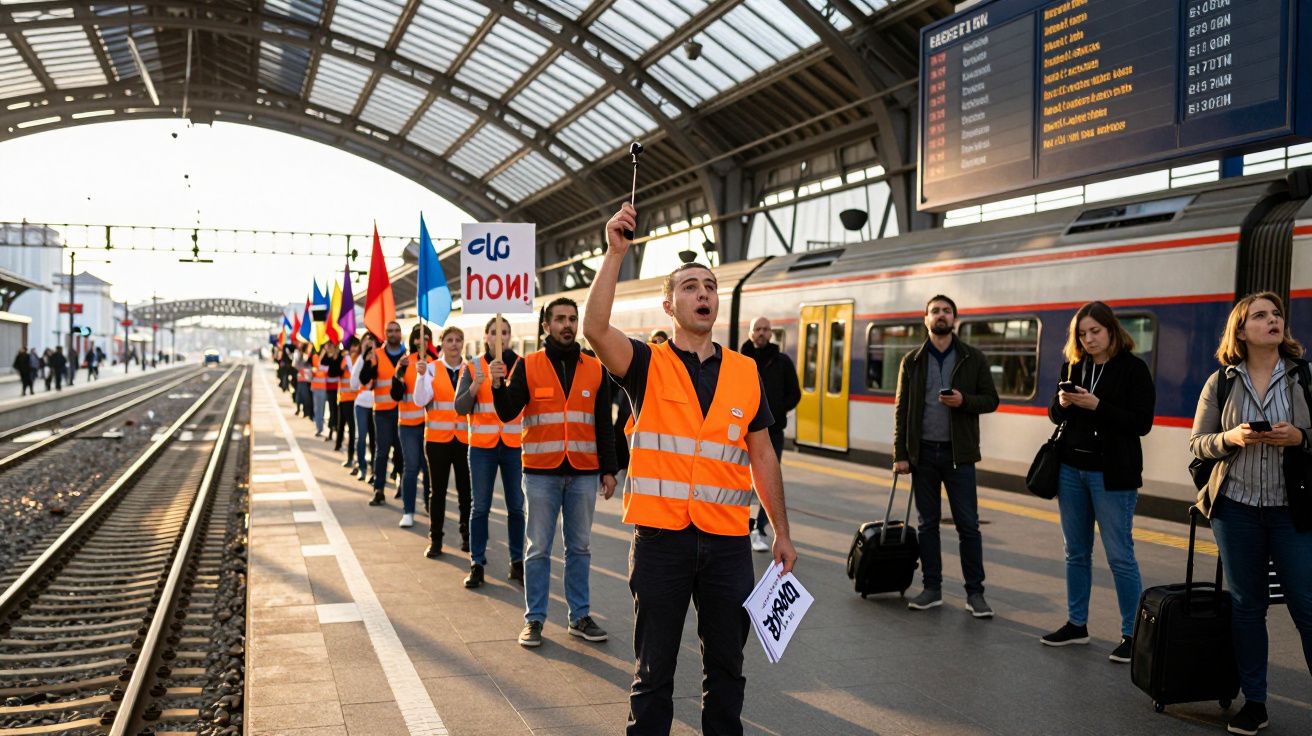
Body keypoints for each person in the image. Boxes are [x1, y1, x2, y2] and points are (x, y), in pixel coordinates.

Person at [584, 203, 797, 735]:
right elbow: (594, 327)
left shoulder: (747, 372)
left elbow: (763, 454)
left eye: (709, 286)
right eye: (689, 287)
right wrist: (614, 253)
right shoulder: (644, 364)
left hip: (727, 542)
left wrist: (782, 534)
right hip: (661, 541)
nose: (703, 293)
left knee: (727, 668)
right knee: (653, 670)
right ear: (668, 305)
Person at [1189, 291, 1312, 736]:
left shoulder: (1304, 377)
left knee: (1307, 605)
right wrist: (1232, 438)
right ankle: (1255, 703)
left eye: (1276, 314)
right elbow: (1198, 443)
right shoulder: (1220, 382)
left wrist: (1299, 437)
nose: (1272, 320)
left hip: (1291, 509)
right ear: (1240, 331)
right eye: (1260, 315)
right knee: (1247, 607)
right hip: (1236, 509)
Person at [493, 297, 618, 648]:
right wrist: (497, 384)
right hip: (540, 473)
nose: (567, 325)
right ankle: (534, 620)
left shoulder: (594, 368)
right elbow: (507, 413)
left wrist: (609, 469)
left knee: (579, 548)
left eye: (572, 319)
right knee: (538, 550)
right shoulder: (529, 365)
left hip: (583, 472)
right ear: (547, 326)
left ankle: (579, 616)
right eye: (560, 319)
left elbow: (602, 425)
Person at [1042, 302, 1154, 663]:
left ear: (1111, 331)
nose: (1088, 339)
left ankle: (1132, 634)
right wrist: (1061, 403)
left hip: (1112, 475)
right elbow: (1055, 415)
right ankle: (1077, 624)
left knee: (1120, 556)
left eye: (1095, 331)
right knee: (1075, 551)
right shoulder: (1074, 366)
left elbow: (1141, 423)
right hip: (1070, 471)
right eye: (1082, 333)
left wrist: (1096, 405)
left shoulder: (1133, 370)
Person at [892, 294, 999, 617]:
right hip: (923, 454)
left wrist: (964, 401)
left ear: (955, 319)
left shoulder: (973, 358)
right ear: (925, 319)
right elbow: (902, 410)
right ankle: (932, 588)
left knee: (968, 526)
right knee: (928, 525)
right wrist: (901, 454)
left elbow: (991, 400)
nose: (940, 315)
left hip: (959, 455)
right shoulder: (911, 361)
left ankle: (975, 593)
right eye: (935, 311)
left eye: (946, 311)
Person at [455, 316, 525, 589]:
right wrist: (475, 384)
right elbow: (460, 407)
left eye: (505, 333)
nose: (500, 337)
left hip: (513, 448)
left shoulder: (520, 365)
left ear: (510, 337)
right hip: (482, 448)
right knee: (480, 507)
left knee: (516, 508)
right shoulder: (472, 367)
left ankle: (517, 562)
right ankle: (477, 563)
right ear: (486, 336)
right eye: (495, 332)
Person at [740, 316, 801, 553]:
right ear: (750, 332)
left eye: (766, 329)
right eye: (758, 329)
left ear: (771, 333)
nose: (762, 333)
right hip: (739, 432)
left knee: (767, 480)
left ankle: (759, 528)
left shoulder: (782, 361)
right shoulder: (738, 360)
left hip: (772, 431)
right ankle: (740, 525)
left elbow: (794, 393)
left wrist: (774, 411)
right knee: (741, 480)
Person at [413, 325, 472, 556]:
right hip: (437, 441)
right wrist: (419, 376)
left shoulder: (470, 369)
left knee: (465, 491)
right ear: (442, 344)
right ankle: (435, 539)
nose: (454, 344)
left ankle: (467, 536)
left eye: (458, 339)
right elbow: (420, 400)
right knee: (437, 492)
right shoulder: (430, 369)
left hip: (465, 440)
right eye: (449, 340)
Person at [391, 324, 436, 529]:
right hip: (408, 424)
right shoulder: (404, 362)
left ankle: (429, 505)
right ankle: (408, 511)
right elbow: (396, 395)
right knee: (410, 467)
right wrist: (399, 374)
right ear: (412, 340)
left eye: (425, 338)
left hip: (430, 425)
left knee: (429, 469)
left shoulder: (435, 363)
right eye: (418, 338)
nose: (421, 341)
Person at [359, 321, 407, 505]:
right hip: (382, 413)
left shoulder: (407, 356)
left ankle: (402, 483)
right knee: (381, 452)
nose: (393, 333)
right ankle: (378, 489)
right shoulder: (376, 355)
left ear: (401, 333)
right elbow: (364, 379)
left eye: (396, 330)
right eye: (390, 331)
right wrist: (368, 361)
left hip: (403, 411)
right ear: (385, 334)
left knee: (401, 451)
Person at [350, 334, 377, 482]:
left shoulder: (379, 358)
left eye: (371, 340)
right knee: (361, 437)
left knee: (375, 439)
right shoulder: (360, 360)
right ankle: (362, 468)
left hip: (376, 404)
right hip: (361, 404)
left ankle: (375, 469)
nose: (369, 342)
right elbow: (353, 384)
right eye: (366, 340)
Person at [335, 337, 358, 467]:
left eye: (356, 346)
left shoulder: (359, 360)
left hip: (356, 401)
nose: (354, 349)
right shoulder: (345, 359)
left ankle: (353, 458)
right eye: (352, 346)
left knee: (354, 431)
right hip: (344, 399)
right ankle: (350, 457)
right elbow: (336, 371)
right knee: (346, 428)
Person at [322, 341, 342, 443]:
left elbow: (336, 372)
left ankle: (337, 432)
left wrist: (336, 357)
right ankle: (331, 431)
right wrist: (326, 352)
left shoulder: (340, 357)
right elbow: (323, 363)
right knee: (332, 410)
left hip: (339, 389)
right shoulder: (329, 358)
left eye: (332, 346)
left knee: (337, 411)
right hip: (330, 388)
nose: (330, 347)